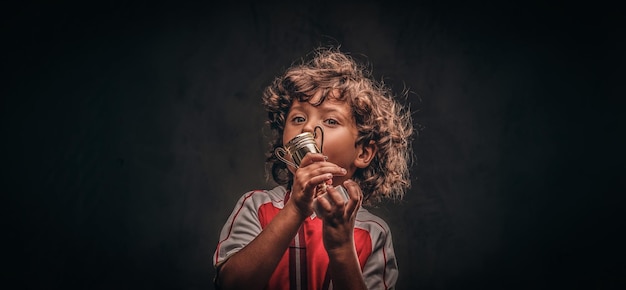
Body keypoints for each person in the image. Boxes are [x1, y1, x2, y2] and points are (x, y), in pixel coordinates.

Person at [213, 47, 414, 290]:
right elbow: (230, 285)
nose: (307, 129)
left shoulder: (373, 233)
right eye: (298, 118)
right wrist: (296, 208)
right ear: (284, 147)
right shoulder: (256, 207)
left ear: (363, 153)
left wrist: (341, 248)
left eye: (330, 121)